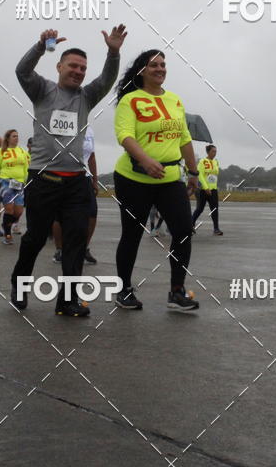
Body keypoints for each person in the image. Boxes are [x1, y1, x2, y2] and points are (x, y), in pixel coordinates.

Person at [11, 25, 126, 315]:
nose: (78, 71)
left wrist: (113, 52)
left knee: (75, 241)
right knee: (36, 238)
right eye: (73, 66)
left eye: (83, 68)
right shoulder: (42, 90)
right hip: (43, 179)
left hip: (76, 182)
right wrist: (39, 46)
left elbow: (108, 78)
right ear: (59, 66)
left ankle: (68, 300)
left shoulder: (86, 97)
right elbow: (22, 71)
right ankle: (20, 284)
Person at [113, 49, 200, 312]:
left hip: (170, 179)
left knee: (183, 232)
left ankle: (176, 291)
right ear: (142, 70)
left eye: (163, 64)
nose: (160, 69)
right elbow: (125, 136)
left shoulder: (175, 101)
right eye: (154, 65)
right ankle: (124, 289)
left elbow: (184, 139)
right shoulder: (131, 101)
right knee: (132, 234)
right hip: (133, 178)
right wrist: (144, 160)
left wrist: (194, 173)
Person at [51, 124, 99, 264]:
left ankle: (84, 248)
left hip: (84, 177)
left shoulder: (89, 129)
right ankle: (60, 250)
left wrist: (95, 180)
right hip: (62, 175)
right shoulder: (62, 124)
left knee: (92, 213)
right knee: (60, 216)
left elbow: (91, 156)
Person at [0, 130, 28, 245]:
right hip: (5, 181)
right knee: (9, 208)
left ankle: (6, 224)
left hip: (19, 183)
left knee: (18, 211)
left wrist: (25, 181)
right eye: (14, 136)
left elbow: (25, 167)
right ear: (8, 138)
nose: (16, 138)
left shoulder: (21, 151)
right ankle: (8, 235)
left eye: (17, 136)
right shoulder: (1, 151)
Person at [191, 144, 223, 235]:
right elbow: (199, 174)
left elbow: (215, 175)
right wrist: (205, 187)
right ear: (208, 152)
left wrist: (213, 187)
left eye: (216, 151)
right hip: (203, 190)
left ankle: (216, 229)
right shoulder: (202, 161)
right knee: (200, 209)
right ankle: (191, 224)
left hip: (213, 189)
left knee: (214, 209)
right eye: (213, 151)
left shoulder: (216, 162)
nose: (215, 153)